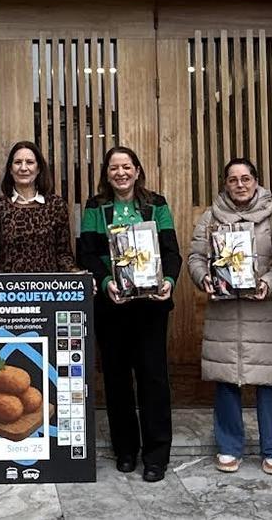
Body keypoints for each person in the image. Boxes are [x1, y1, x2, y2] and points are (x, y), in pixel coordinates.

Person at [77, 146, 181, 483]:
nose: (120, 173)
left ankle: (156, 455)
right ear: (106, 174)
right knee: (117, 379)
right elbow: (86, 253)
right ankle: (125, 450)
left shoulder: (156, 205)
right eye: (113, 168)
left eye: (126, 167)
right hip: (112, 307)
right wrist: (106, 281)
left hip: (150, 307)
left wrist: (168, 281)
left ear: (137, 170)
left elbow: (171, 251)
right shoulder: (96, 206)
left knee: (153, 379)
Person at [187, 158, 272, 477]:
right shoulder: (211, 218)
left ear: (256, 181)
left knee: (269, 381)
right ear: (225, 184)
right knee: (226, 381)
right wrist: (204, 277)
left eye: (246, 178)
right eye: (233, 180)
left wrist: (268, 283)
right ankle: (229, 446)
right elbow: (195, 257)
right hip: (225, 313)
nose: (240, 184)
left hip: (265, 313)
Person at [0, 141, 77, 273]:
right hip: (7, 285)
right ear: (10, 169)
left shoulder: (56, 205)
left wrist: (79, 276)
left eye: (29, 162)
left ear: (38, 168)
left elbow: (64, 255)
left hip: (46, 284)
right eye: (17, 162)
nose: (23, 168)